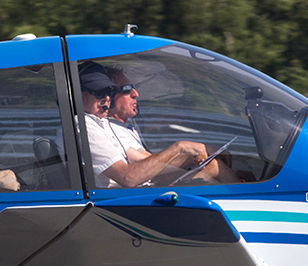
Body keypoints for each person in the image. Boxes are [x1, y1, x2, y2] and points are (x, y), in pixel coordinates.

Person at [78, 63, 233, 187]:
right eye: (99, 93)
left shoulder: (101, 124)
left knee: (213, 167)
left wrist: (196, 153)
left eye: (109, 92)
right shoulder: (84, 126)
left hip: (138, 191)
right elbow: (129, 177)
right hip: (125, 200)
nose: (107, 98)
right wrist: (180, 147)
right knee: (212, 168)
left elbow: (143, 161)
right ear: (76, 96)